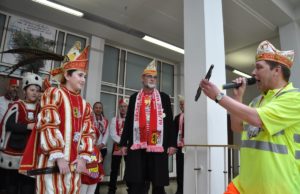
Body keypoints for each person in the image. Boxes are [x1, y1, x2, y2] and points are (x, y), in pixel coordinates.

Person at [200, 40, 300, 194]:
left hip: (278, 188)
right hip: (244, 186)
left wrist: (219, 97)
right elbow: (237, 127)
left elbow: (258, 119)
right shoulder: (257, 101)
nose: (253, 73)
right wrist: (238, 97)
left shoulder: (294, 98)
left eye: (259, 67)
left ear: (277, 70)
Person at [19, 46, 95, 194]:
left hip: (74, 167)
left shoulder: (85, 105)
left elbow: (88, 133)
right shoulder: (54, 94)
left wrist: (83, 158)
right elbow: (48, 124)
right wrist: (59, 157)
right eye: (80, 75)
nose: (83, 80)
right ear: (67, 75)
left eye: (84, 76)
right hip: (52, 163)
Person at [119, 60, 177, 194]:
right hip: (137, 145)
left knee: (158, 184)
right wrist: (123, 143)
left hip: (158, 144)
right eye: (149, 76)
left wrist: (172, 144)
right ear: (142, 78)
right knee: (136, 183)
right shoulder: (134, 98)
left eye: (155, 77)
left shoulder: (164, 98)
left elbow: (169, 123)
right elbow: (128, 122)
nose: (152, 79)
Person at [0, 72, 42, 194]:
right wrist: (27, 126)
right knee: (12, 185)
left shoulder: (41, 108)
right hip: (14, 152)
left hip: (32, 153)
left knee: (28, 186)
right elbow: (8, 124)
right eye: (32, 90)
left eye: (37, 90)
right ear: (24, 91)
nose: (35, 93)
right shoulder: (17, 105)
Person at [0, 78, 19, 193]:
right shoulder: (0, 101)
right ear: (8, 87)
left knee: (11, 170)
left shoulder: (19, 103)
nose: (14, 90)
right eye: (13, 87)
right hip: (0, 136)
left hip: (13, 139)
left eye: (17, 88)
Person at [107, 98, 128, 194]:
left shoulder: (131, 120)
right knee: (114, 169)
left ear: (127, 108)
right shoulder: (114, 119)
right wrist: (123, 142)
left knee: (129, 168)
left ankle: (130, 188)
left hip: (128, 147)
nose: (123, 108)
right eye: (121, 107)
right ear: (119, 108)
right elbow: (112, 133)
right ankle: (112, 189)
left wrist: (127, 143)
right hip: (118, 146)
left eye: (125, 106)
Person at [93, 101, 109, 194]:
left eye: (100, 108)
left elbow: (106, 134)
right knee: (92, 169)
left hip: (102, 149)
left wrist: (101, 145)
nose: (98, 109)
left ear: (102, 109)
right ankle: (91, 188)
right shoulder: (89, 119)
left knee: (99, 169)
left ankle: (97, 191)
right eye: (96, 107)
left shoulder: (105, 121)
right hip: (92, 149)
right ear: (93, 109)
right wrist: (94, 146)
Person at [174, 95, 184, 194]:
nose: (181, 106)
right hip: (180, 147)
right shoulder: (177, 117)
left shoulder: (191, 117)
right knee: (179, 169)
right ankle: (180, 189)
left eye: (183, 104)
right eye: (180, 104)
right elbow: (173, 132)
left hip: (189, 147)